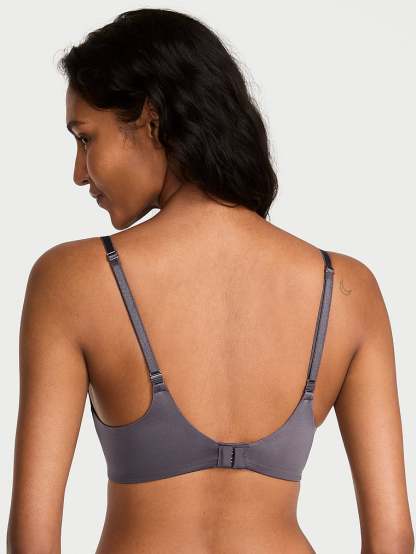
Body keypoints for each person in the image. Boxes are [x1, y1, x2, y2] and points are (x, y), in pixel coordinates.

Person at [6, 8, 414, 554]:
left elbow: (33, 538)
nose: (79, 173)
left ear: (150, 120)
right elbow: (392, 539)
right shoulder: (346, 289)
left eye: (85, 139)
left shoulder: (70, 280)